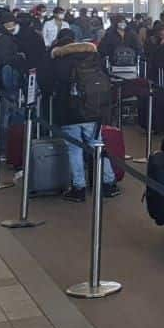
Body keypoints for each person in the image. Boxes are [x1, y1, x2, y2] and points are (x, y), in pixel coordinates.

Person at [46, 30, 120, 202]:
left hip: (69, 111)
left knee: (74, 149)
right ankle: (109, 183)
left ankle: (78, 187)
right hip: (94, 110)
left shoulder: (60, 61)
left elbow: (49, 84)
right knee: (97, 145)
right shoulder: (93, 59)